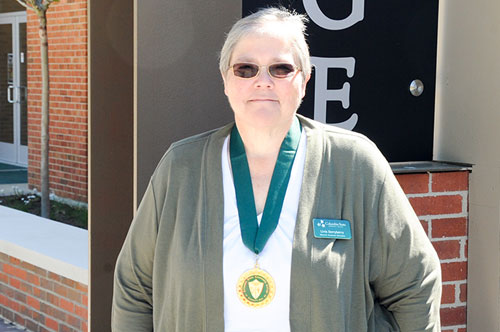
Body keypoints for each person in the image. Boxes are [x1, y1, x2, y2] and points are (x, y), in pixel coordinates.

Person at [112, 7, 441, 332]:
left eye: (281, 68)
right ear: (226, 79)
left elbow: (415, 283)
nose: (263, 81)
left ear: (305, 79)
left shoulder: (353, 163)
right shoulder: (181, 167)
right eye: (246, 69)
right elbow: (135, 288)